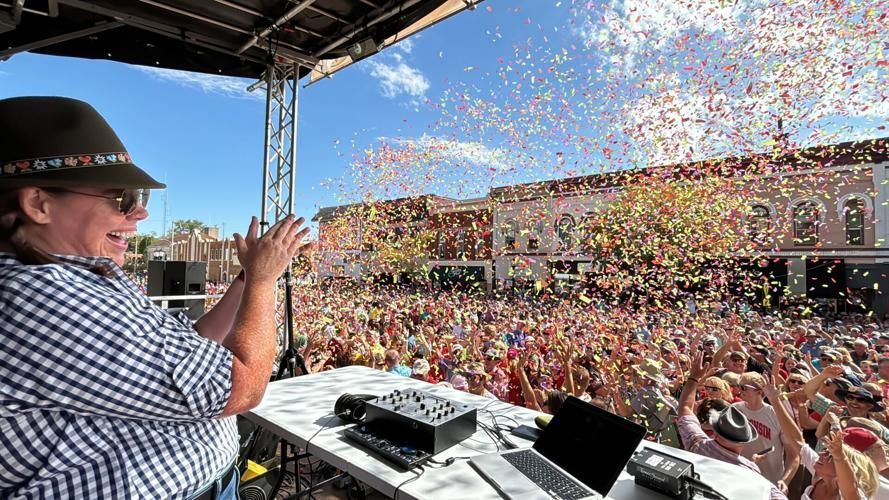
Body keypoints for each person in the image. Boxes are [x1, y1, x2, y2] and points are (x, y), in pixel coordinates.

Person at [0, 97, 312, 499]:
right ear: (38, 203)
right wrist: (264, 281)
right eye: (122, 198)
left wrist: (247, 277)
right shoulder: (43, 297)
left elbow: (195, 344)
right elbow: (243, 386)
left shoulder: (77, 278)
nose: (139, 214)